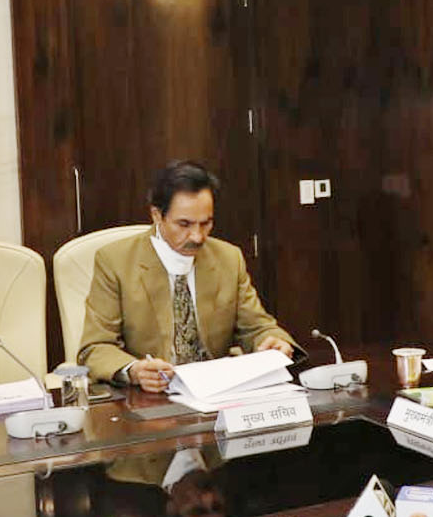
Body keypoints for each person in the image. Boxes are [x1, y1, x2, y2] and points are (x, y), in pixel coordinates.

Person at [78, 161, 302, 392]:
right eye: (184, 224)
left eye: (206, 223)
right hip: (152, 395)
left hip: (217, 391)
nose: (197, 236)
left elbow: (257, 327)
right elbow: (95, 348)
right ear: (157, 215)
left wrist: (275, 341)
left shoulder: (228, 258)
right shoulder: (116, 262)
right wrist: (134, 370)